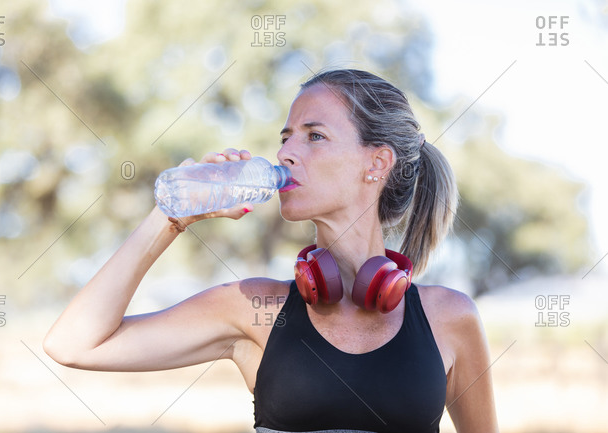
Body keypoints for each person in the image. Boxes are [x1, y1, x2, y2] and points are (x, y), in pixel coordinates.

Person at [44, 69, 499, 432]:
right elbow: (74, 344)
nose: (285, 154)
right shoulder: (251, 308)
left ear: (376, 162)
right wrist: (170, 217)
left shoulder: (449, 318)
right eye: (285, 138)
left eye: (313, 136)